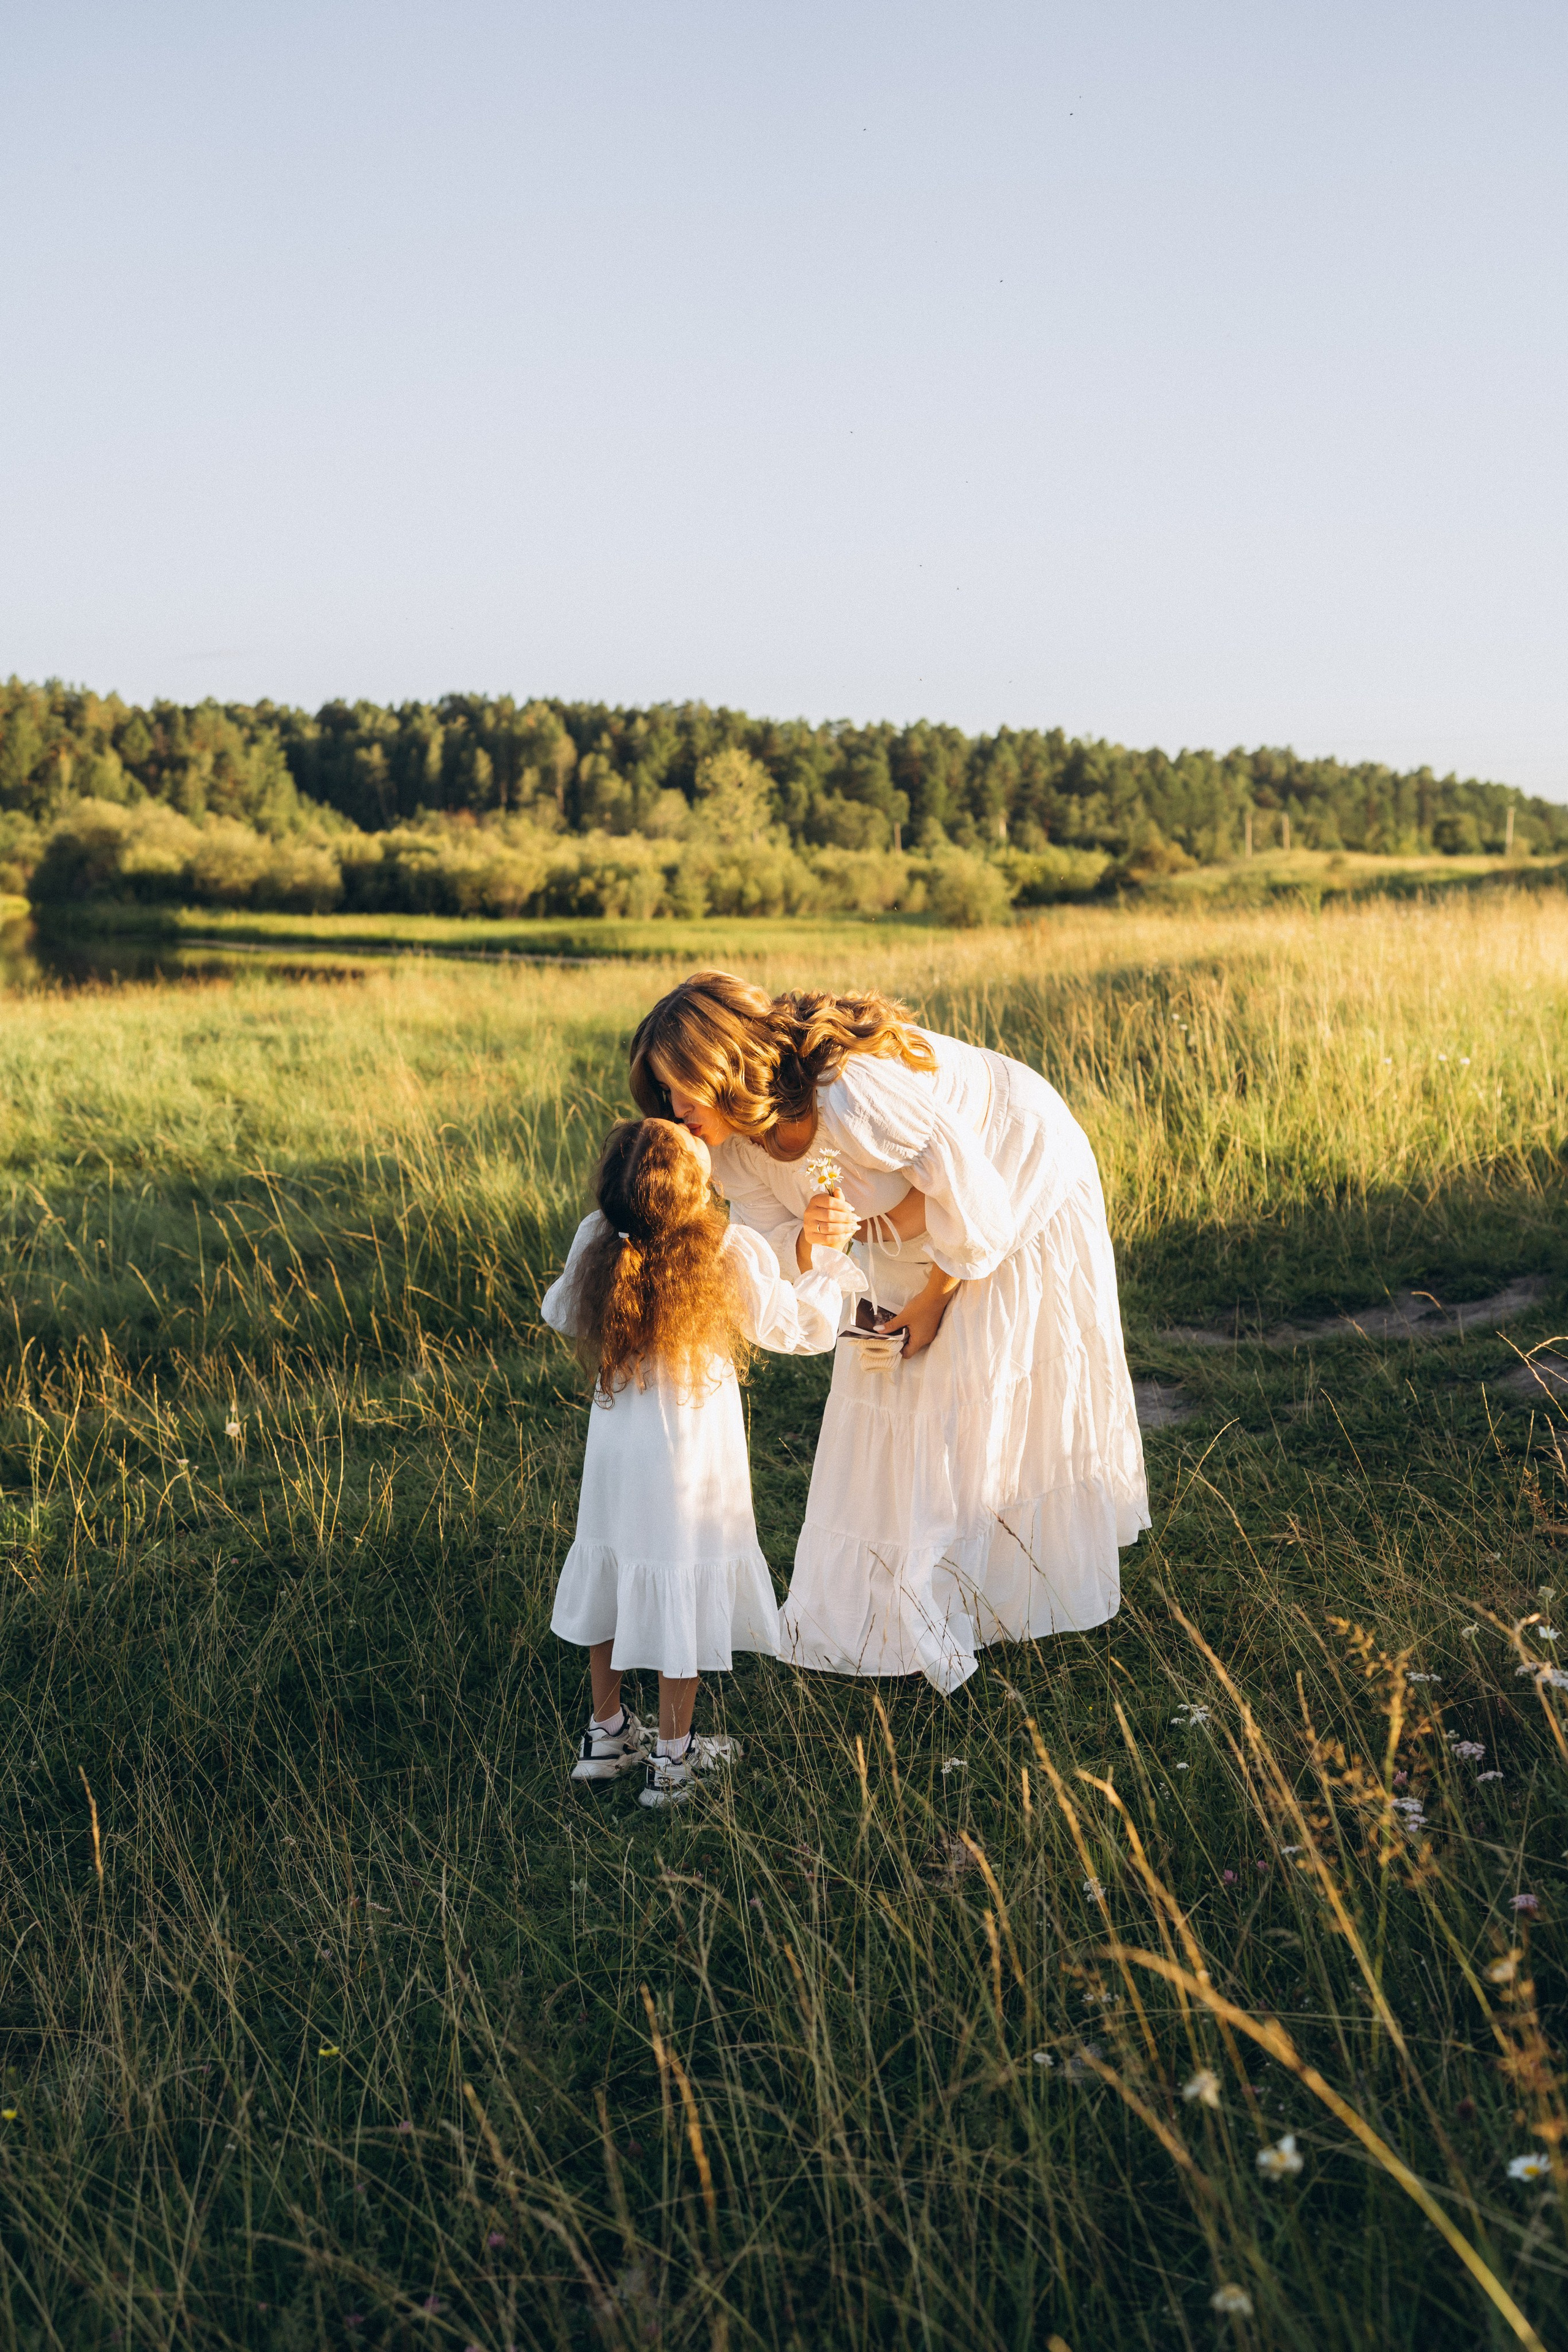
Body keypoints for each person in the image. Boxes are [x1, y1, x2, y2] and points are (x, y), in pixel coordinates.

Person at [629, 972, 1148, 1695]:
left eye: (685, 1087)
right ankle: (910, 1607)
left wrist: (937, 1294)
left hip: (1015, 1164)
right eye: (664, 1095)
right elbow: (787, 1261)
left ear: (727, 1068)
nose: (676, 1111)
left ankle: (998, 1598)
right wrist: (817, 1243)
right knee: (895, 1393)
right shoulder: (730, 1152)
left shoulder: (847, 1092)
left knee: (982, 1372)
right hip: (922, 1216)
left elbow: (974, 1204)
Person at [541, 1114, 854, 1805]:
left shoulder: (599, 1236)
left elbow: (559, 1311)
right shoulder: (725, 1248)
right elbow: (798, 1329)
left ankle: (605, 1733)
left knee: (616, 1570)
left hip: (618, 1445)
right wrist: (830, 1266)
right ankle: (672, 1763)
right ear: (693, 1185)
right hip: (689, 1451)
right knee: (676, 1579)